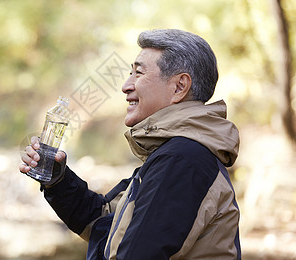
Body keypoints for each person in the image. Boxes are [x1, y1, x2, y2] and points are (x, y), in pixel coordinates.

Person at [20, 29, 241, 259]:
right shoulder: (174, 154)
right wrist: (58, 181)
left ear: (179, 87)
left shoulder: (183, 160)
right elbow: (104, 221)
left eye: (138, 73)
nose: (126, 86)